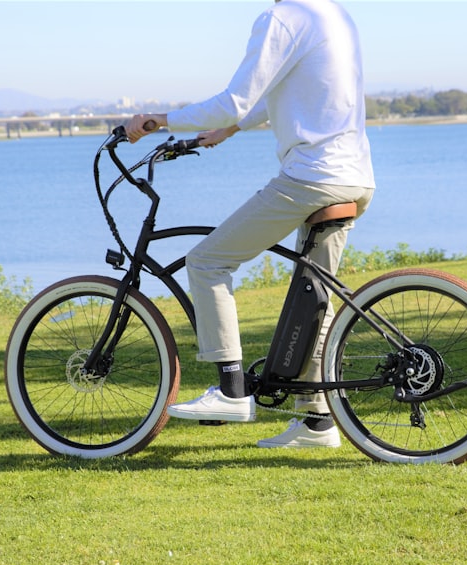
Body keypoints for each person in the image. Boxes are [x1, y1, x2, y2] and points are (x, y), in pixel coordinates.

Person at [126, 0, 375, 449]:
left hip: (311, 178)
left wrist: (156, 121)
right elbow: (292, 92)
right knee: (312, 291)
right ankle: (315, 421)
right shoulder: (334, 15)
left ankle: (231, 390)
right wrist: (232, 129)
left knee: (205, 262)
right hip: (355, 176)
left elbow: (233, 100)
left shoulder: (284, 17)